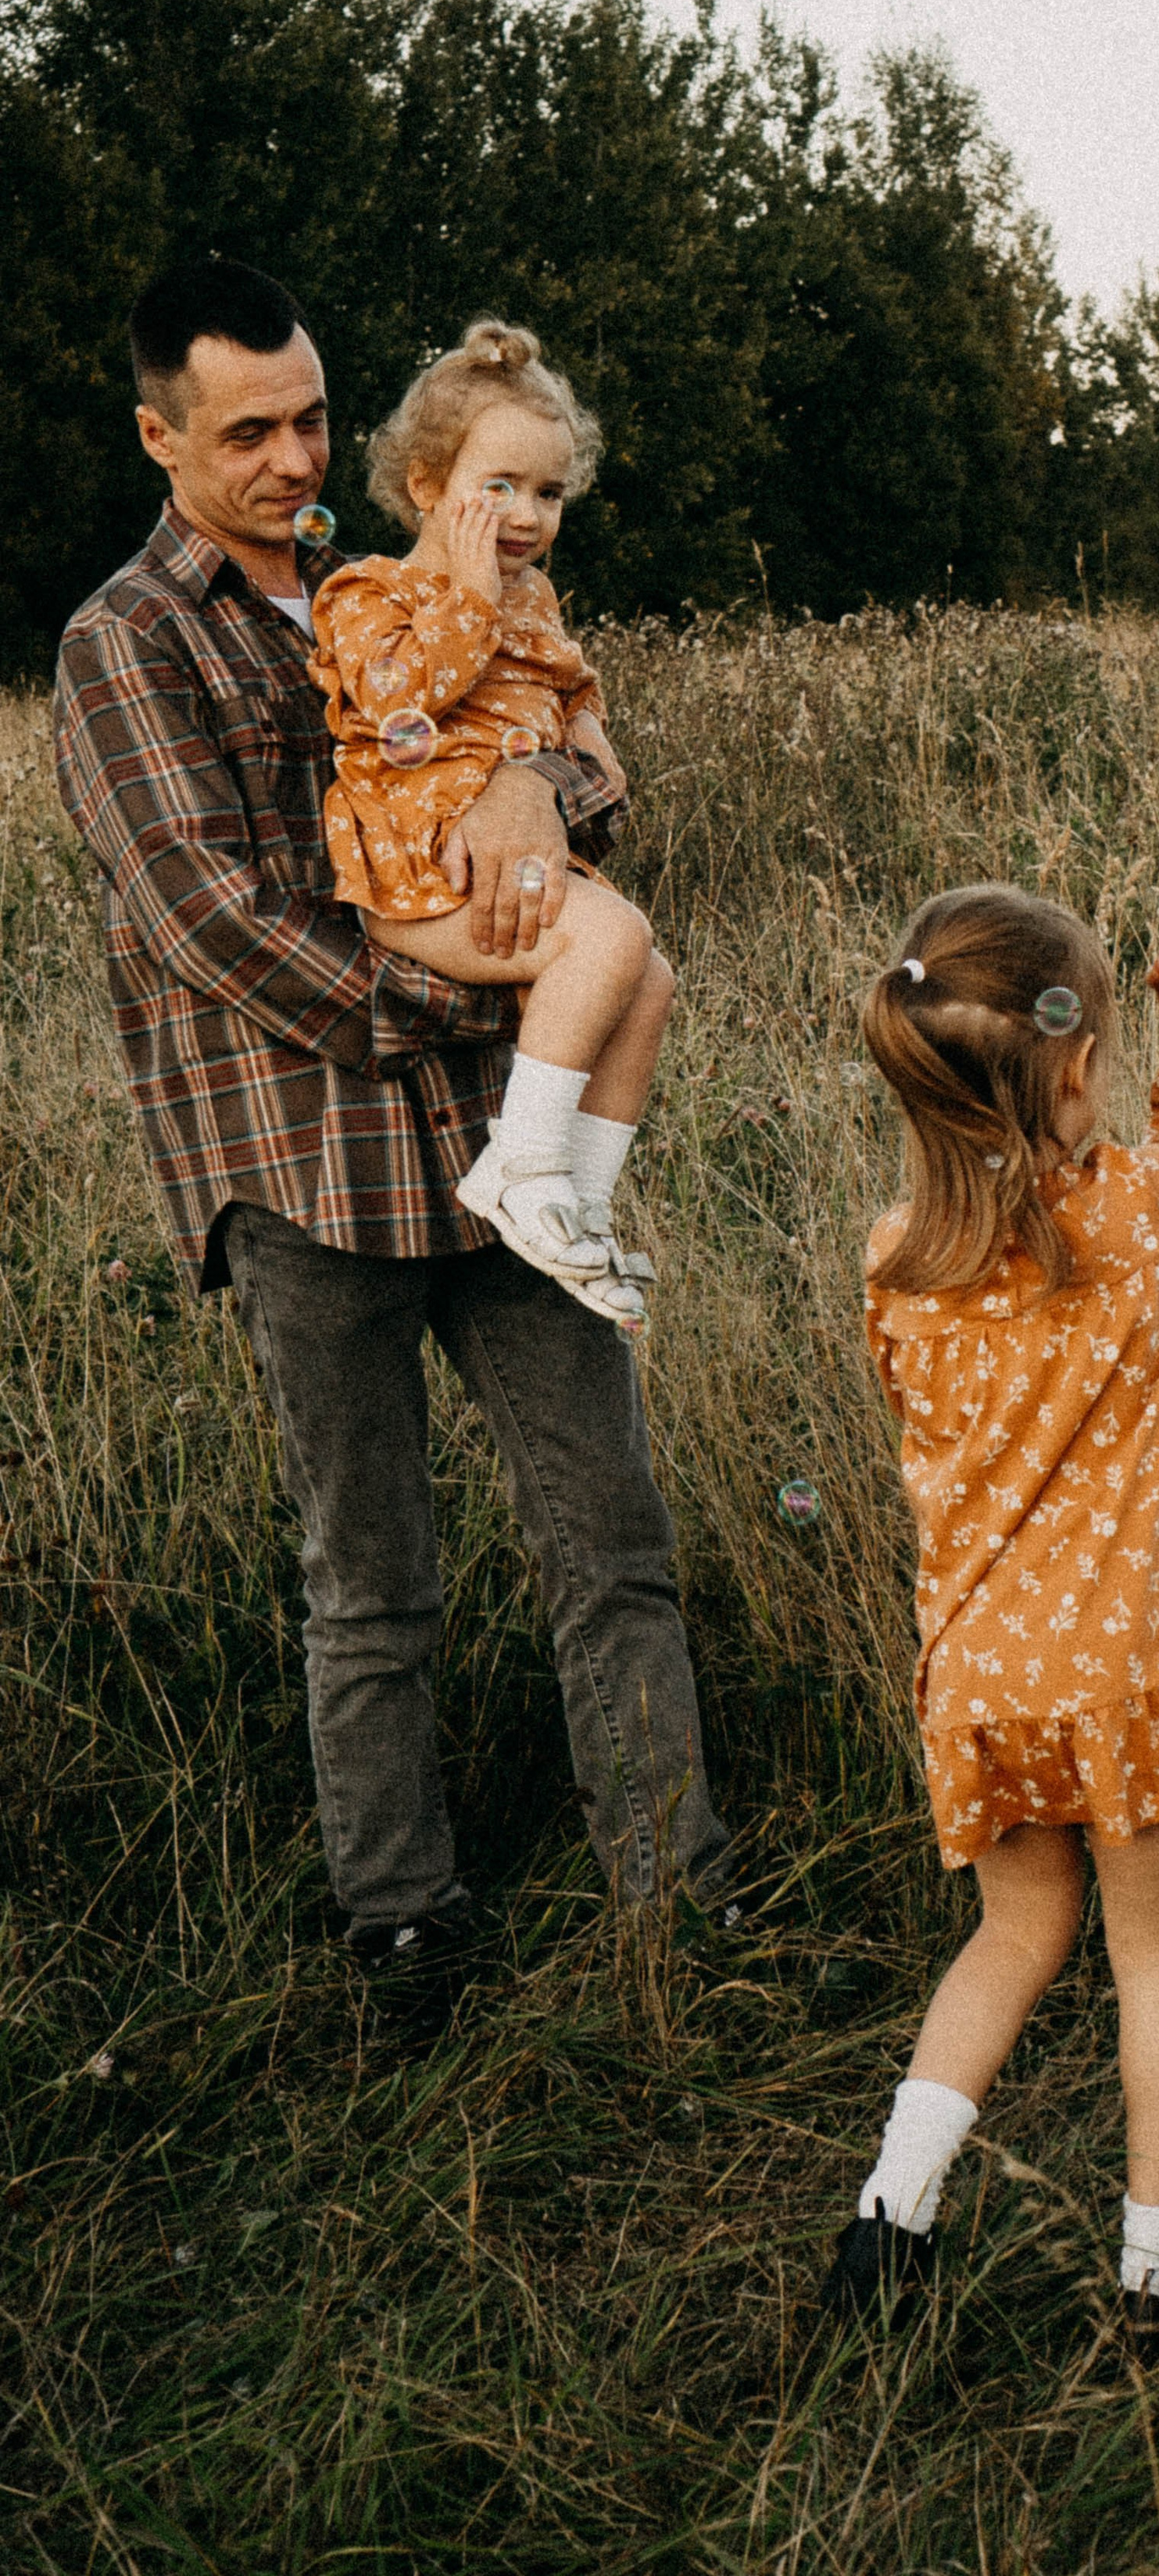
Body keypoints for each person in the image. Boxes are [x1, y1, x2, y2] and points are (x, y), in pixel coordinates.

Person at [52, 258, 732, 2011]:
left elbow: (581, 756)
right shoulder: (129, 641)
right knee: (371, 1582)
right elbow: (213, 919)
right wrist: (478, 1000)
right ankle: (406, 1924)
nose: (292, 460)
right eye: (247, 432)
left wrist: (533, 787)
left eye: (313, 422)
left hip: (514, 1141)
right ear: (160, 435)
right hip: (306, 1163)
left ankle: (677, 1896)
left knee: (611, 1539)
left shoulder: (448, 564)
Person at [824, 883, 1159, 2347]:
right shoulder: (1134, 1220)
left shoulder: (894, 1261)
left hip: (979, 1671)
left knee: (1013, 1934)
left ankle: (886, 2223)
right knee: (1156, 1962)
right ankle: (1157, 2283)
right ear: (1080, 1065)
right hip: (1133, 1670)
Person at [309, 318, 670, 1333]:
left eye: (548, 493)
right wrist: (467, 597)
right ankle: (521, 1167)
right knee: (616, 937)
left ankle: (579, 1209)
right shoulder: (365, 592)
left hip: (496, 869)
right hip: (415, 875)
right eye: (499, 486)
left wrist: (588, 729)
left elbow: (569, 684)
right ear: (428, 487)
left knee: (650, 979)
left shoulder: (537, 598)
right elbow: (392, 701)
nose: (526, 514)